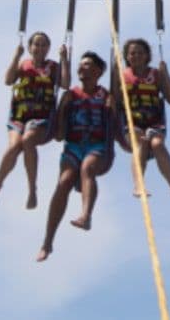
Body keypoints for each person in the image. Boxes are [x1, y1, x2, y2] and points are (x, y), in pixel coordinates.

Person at [37, 51, 116, 262]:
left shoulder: (106, 96)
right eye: (80, 65)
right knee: (63, 182)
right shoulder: (70, 95)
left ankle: (85, 216)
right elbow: (60, 135)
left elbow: (115, 127)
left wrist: (113, 109)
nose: (81, 68)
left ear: (99, 71)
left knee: (87, 168)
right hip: (73, 146)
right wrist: (62, 110)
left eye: (87, 65)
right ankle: (47, 242)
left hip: (97, 147)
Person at [0, 32, 69, 209]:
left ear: (48, 48)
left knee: (28, 140)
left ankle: (32, 190)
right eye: (36, 45)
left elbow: (65, 84)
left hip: (42, 119)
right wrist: (16, 55)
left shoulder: (53, 67)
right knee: (14, 147)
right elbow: (8, 81)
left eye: (43, 45)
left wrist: (64, 60)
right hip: (18, 116)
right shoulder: (23, 65)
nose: (39, 48)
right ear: (30, 47)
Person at [118, 38, 170, 211]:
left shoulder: (156, 75)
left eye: (140, 53)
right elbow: (115, 103)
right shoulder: (122, 75)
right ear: (127, 56)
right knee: (140, 141)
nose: (136, 56)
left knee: (157, 145)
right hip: (131, 123)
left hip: (154, 123)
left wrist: (166, 75)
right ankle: (139, 185)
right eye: (132, 53)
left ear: (147, 56)